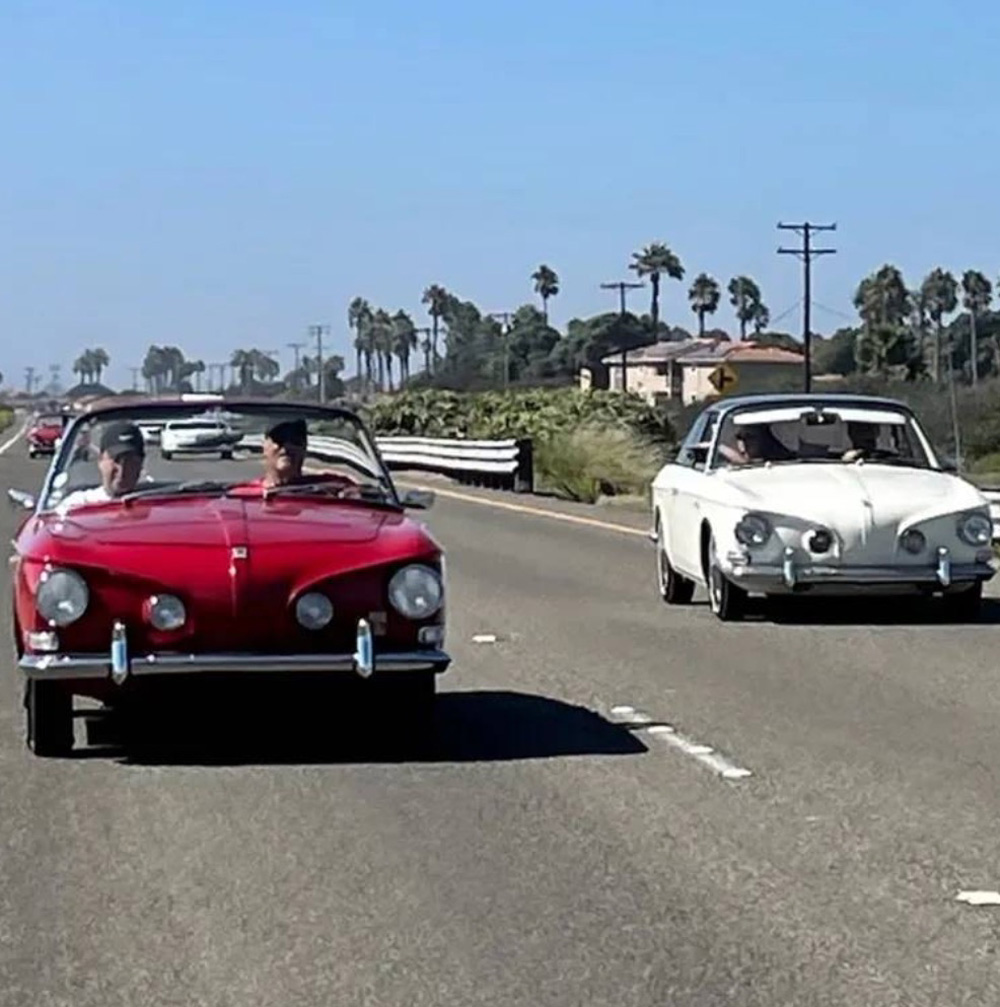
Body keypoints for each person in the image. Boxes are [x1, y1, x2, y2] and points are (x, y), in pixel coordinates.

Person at [54, 421, 146, 513]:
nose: (122, 469)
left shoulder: (153, 503)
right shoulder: (77, 504)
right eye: (115, 460)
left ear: (141, 463)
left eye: (130, 461)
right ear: (101, 461)